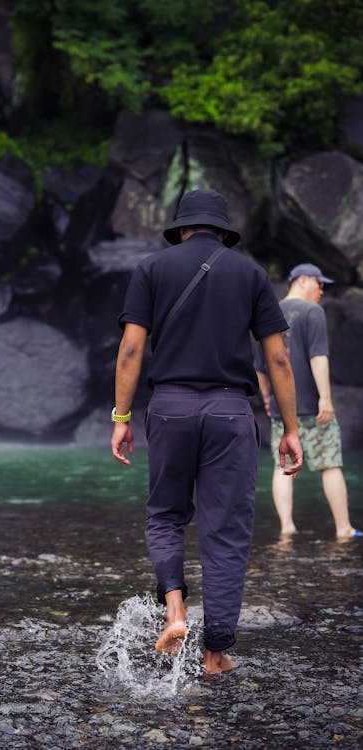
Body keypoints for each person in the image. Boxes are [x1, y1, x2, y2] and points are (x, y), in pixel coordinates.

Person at [110, 189, 302, 676]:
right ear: (222, 231)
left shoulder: (152, 269)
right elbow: (277, 357)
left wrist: (121, 417)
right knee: (226, 532)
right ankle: (215, 653)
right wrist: (290, 428)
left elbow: (131, 350)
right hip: (230, 413)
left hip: (170, 408)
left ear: (180, 229)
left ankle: (174, 610)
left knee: (166, 516)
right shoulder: (251, 274)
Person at [255, 263, 361, 540]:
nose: (322, 291)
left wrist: (267, 397)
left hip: (282, 407)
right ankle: (343, 528)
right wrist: (325, 397)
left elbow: (260, 365)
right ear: (302, 280)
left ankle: (286, 527)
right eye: (319, 284)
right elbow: (318, 357)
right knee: (330, 463)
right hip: (314, 407)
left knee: (282, 466)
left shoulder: (268, 311)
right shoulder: (312, 311)